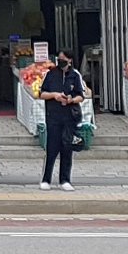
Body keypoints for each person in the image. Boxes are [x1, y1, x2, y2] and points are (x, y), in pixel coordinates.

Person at [37, 52, 84, 190]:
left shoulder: (75, 75)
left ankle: (65, 179)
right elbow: (42, 94)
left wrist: (71, 100)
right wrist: (54, 95)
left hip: (69, 117)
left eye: (64, 58)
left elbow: (81, 96)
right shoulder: (50, 74)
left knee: (67, 148)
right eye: (59, 58)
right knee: (52, 148)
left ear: (70, 60)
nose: (61, 61)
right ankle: (46, 179)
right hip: (53, 116)